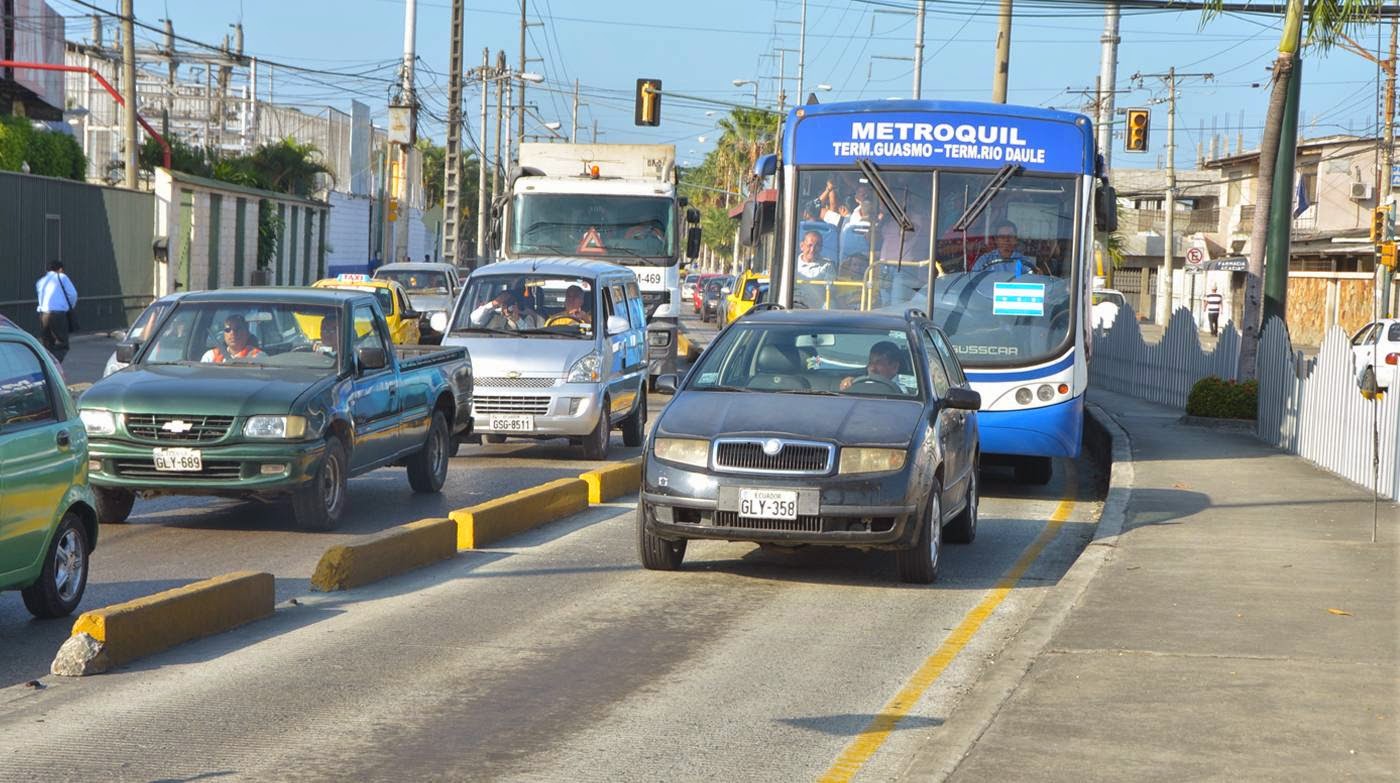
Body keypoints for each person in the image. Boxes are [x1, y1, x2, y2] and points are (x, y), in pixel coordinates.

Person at [35, 260, 78, 362]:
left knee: (47, 344)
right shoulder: (62, 277)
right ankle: (55, 366)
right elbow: (73, 294)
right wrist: (69, 306)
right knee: (62, 344)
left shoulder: (41, 281)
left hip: (43, 314)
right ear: (60, 269)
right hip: (58, 314)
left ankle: (46, 365)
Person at [971, 220, 1043, 275]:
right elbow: (974, 280)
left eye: (1010, 236)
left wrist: (1038, 274)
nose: (1006, 240)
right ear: (996, 240)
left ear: (1016, 240)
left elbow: (1034, 280)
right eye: (1002, 236)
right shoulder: (984, 260)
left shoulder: (1025, 261)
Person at [840, 341, 904, 392]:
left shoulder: (905, 393)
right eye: (870, 363)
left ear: (894, 367)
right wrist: (849, 383)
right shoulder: (858, 383)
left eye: (879, 364)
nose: (872, 368)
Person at [470, 290, 542, 331]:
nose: (507, 306)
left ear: (516, 304)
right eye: (505, 303)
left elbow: (531, 335)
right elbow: (474, 320)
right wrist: (493, 304)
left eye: (510, 302)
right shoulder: (491, 315)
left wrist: (518, 320)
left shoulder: (526, 317)